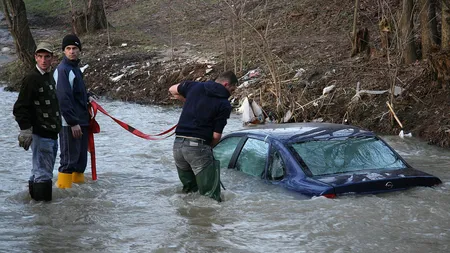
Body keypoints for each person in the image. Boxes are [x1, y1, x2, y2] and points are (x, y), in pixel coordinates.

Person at [169, 71, 238, 202]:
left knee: (189, 193)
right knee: (211, 198)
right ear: (226, 84)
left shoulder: (194, 86)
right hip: (198, 146)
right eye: (232, 89)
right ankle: (210, 221)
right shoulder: (224, 104)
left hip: (177, 146)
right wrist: (207, 148)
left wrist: (188, 100)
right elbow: (216, 136)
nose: (232, 93)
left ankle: (187, 220)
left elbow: (172, 89)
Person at [13, 41, 62, 201]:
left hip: (52, 133)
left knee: (38, 172)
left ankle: (34, 209)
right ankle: (45, 215)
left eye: (47, 57)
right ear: (35, 57)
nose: (43, 60)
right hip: (41, 134)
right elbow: (20, 107)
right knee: (43, 174)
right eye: (40, 57)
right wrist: (25, 130)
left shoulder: (50, 76)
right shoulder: (31, 78)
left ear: (52, 58)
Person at [54, 34, 90, 189]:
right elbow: (63, 99)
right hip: (70, 123)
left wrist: (89, 98)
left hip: (82, 121)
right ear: (64, 51)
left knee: (80, 162)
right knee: (68, 161)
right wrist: (73, 122)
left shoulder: (76, 69)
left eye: (74, 48)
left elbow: (78, 94)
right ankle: (64, 197)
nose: (72, 51)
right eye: (68, 48)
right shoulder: (62, 70)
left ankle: (78, 201)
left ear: (79, 50)